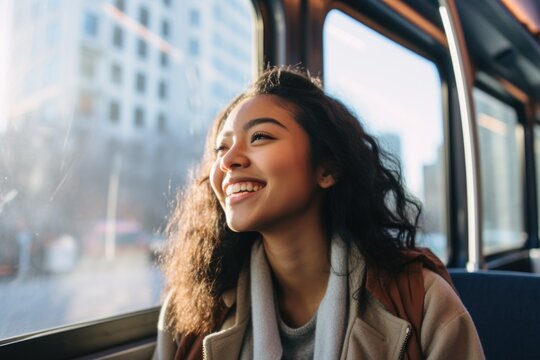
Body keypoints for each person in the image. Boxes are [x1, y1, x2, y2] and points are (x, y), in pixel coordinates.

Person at [154, 66, 484, 359]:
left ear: (326, 169)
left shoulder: (422, 301)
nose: (227, 162)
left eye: (260, 137)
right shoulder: (193, 309)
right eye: (221, 148)